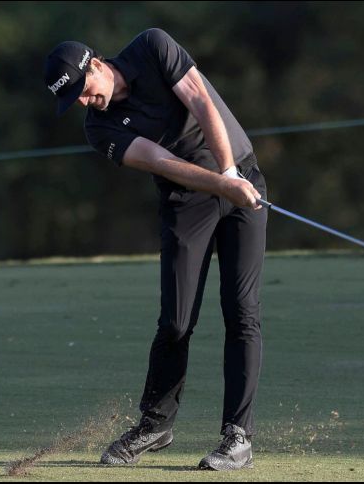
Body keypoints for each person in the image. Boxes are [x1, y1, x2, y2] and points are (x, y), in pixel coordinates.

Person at [43, 28, 267, 471]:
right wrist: (223, 184)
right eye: (74, 102)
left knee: (242, 311)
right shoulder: (98, 128)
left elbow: (201, 100)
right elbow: (162, 163)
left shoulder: (153, 47)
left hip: (242, 177)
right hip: (186, 203)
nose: (84, 104)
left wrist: (230, 173)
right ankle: (156, 424)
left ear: (96, 66)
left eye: (82, 92)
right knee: (176, 321)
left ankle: (237, 437)